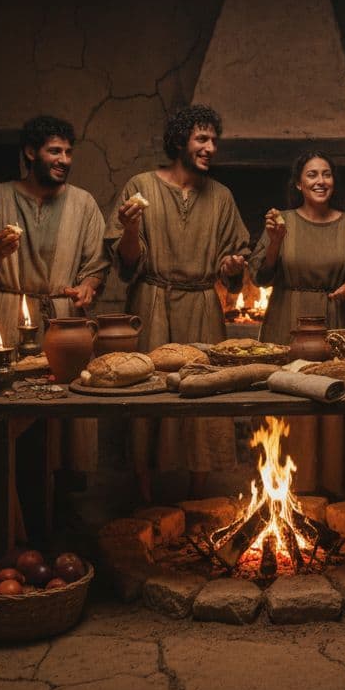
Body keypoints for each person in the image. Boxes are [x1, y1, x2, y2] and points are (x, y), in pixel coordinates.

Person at [105, 105, 251, 500]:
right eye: (201, 139)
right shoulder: (141, 187)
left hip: (203, 305)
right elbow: (127, 263)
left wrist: (230, 264)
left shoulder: (220, 196)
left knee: (203, 395)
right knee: (147, 391)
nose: (210, 148)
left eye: (213, 141)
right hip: (152, 302)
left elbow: (231, 264)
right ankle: (145, 493)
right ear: (180, 141)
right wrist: (131, 228)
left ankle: (199, 494)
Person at [248, 151, 345, 495]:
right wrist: (274, 242)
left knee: (332, 399)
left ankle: (332, 488)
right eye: (312, 175)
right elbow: (259, 275)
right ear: (299, 184)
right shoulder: (281, 222)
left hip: (334, 322)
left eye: (327, 174)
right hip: (287, 320)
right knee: (289, 400)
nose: (321, 181)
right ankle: (283, 489)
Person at [0, 115, 108, 350]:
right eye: (55, 151)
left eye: (68, 152)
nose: (64, 160)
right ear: (31, 152)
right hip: (7, 315)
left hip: (64, 319)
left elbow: (97, 264)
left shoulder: (83, 203)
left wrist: (88, 286)